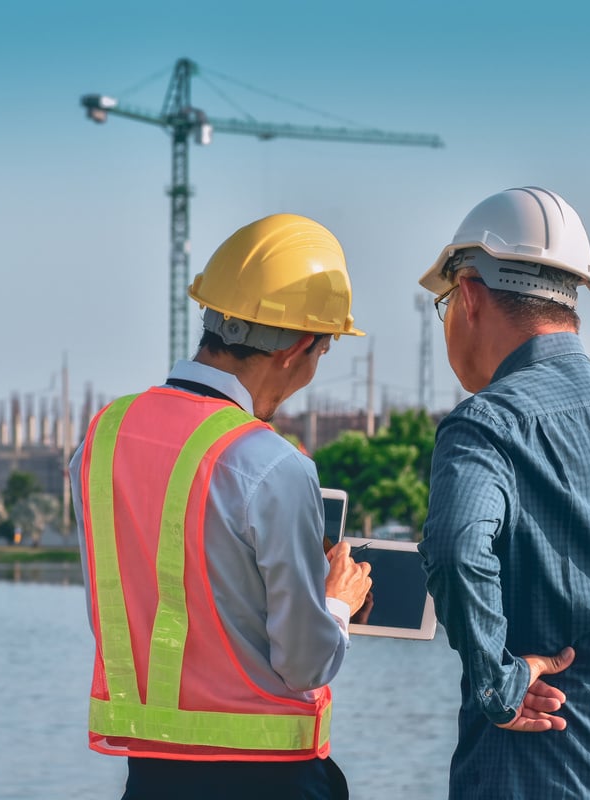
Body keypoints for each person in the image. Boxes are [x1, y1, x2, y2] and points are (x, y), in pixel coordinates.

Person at [69, 213, 373, 800]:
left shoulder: (101, 438)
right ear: (300, 347)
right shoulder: (272, 464)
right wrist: (337, 602)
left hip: (150, 777)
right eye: (322, 353)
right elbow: (305, 664)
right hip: (270, 780)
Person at [417, 186, 590, 798]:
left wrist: (499, 686)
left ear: (468, 296)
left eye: (443, 302)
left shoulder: (486, 423)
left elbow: (458, 552)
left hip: (536, 777)